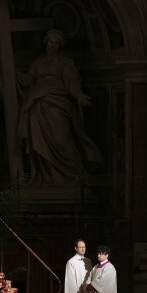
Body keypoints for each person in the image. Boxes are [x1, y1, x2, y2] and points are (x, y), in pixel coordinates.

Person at [17, 28, 103, 186]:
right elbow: (28, 81)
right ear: (46, 42)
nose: (53, 45)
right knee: (38, 142)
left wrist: (79, 96)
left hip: (57, 103)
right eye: (51, 42)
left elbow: (72, 81)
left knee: (60, 139)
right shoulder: (37, 63)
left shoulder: (64, 62)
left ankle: (74, 172)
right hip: (37, 104)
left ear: (60, 45)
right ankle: (45, 176)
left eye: (56, 43)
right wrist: (10, 72)